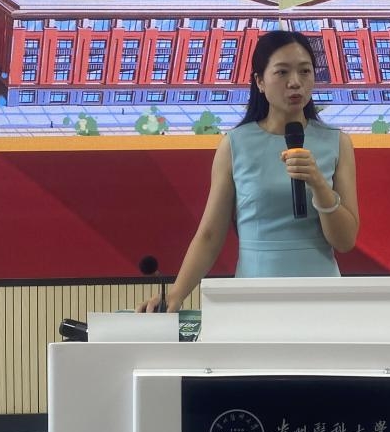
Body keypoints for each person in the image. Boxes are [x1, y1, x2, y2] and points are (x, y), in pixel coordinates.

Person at [139, 30, 359, 312]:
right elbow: (210, 234)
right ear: (260, 82)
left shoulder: (337, 142)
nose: (295, 82)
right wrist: (176, 294)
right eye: (282, 72)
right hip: (254, 297)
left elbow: (345, 241)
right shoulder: (235, 144)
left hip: (322, 297)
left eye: (305, 71)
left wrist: (318, 184)